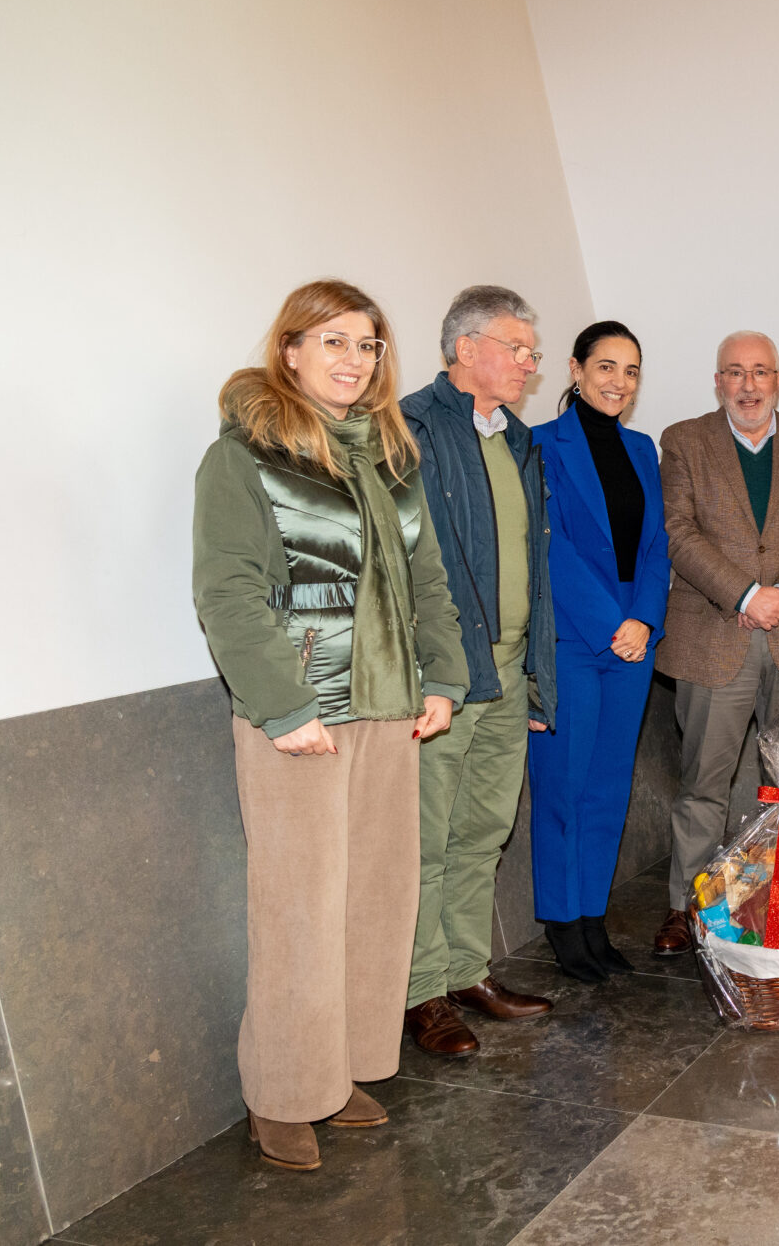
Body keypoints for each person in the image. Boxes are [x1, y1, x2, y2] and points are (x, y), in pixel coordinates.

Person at [193, 279, 467, 1171]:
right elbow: (228, 592)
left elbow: (426, 579)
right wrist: (284, 705)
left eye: (368, 345)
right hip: (300, 720)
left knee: (375, 904)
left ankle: (337, 1071)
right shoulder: (243, 458)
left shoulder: (391, 456)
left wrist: (443, 677)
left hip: (389, 710)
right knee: (298, 911)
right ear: (291, 351)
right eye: (335, 342)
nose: (354, 360)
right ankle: (280, 1094)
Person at [398, 285, 558, 1056]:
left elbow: (532, 560)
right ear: (466, 350)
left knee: (483, 830)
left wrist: (535, 673)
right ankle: (420, 989)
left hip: (510, 667)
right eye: (516, 348)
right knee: (426, 837)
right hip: (447, 674)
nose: (530, 363)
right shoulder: (410, 429)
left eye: (532, 350)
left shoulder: (518, 441)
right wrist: (437, 668)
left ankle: (466, 969)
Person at [651, 330, 779, 954]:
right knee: (704, 781)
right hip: (715, 636)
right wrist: (744, 595)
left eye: (761, 372)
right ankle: (688, 905)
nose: (749, 384)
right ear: (718, 382)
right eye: (735, 372)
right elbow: (677, 533)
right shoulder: (683, 441)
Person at [527, 321, 670, 981]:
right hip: (572, 634)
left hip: (630, 638)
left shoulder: (642, 449)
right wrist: (612, 621)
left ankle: (592, 916)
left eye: (632, 370)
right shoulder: (540, 446)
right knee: (564, 784)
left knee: (609, 787)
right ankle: (562, 922)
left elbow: (655, 547)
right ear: (575, 369)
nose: (619, 380)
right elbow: (545, 544)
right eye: (606, 366)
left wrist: (642, 617)